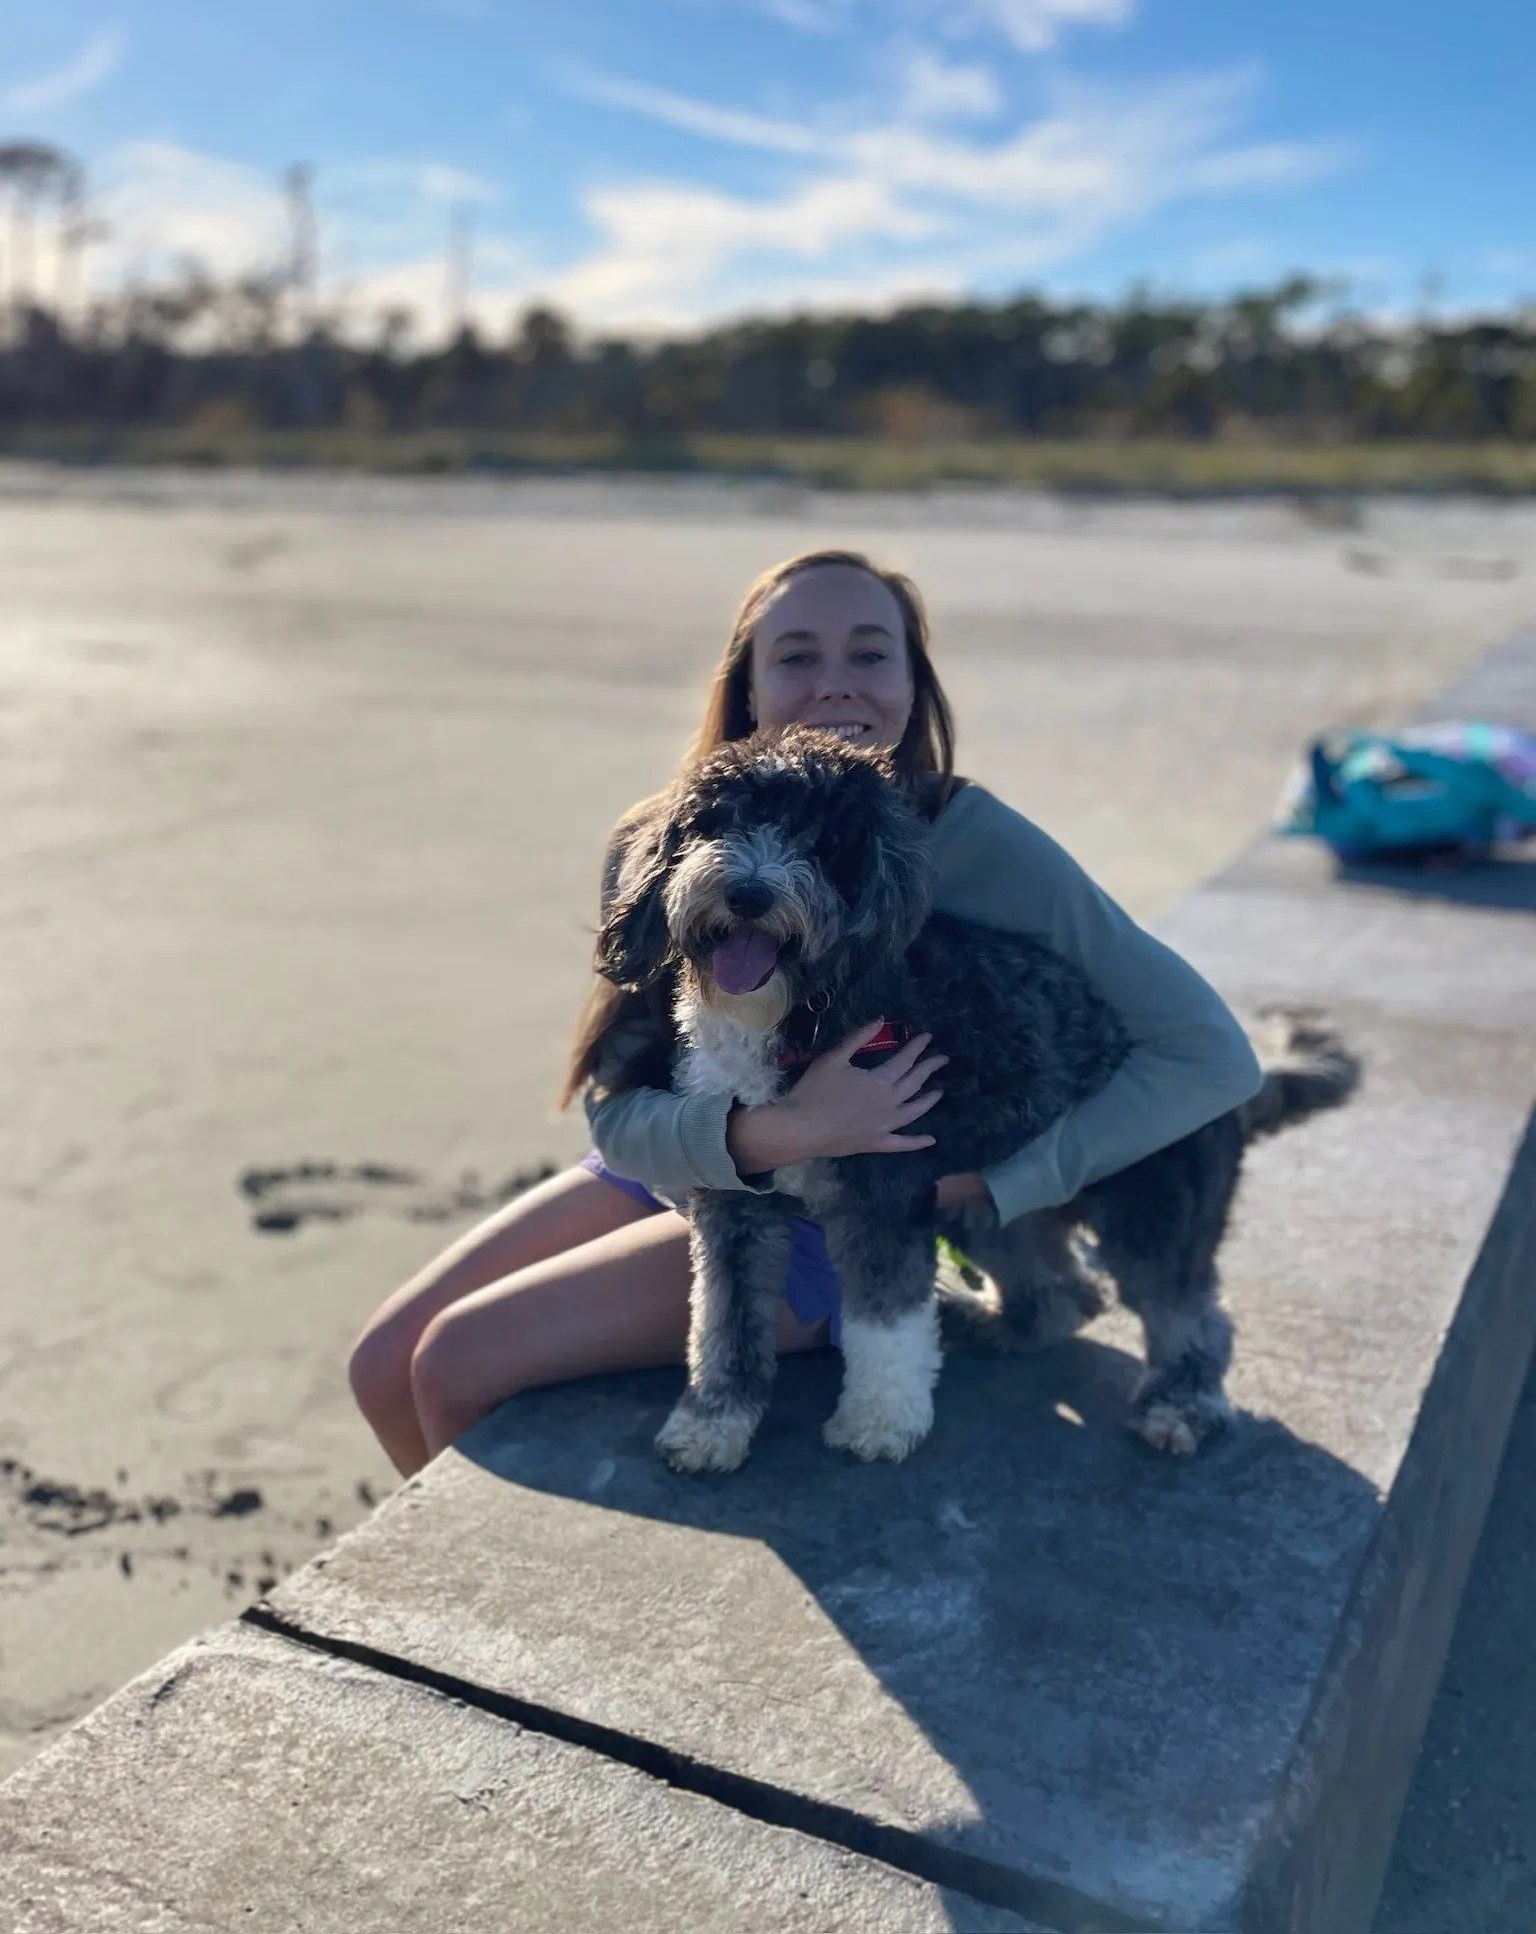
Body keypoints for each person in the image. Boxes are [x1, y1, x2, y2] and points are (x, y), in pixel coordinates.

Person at [348, 548, 1262, 1479]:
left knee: (456, 1360)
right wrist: (776, 1132)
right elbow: (617, 1110)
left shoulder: (980, 844)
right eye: (795, 656)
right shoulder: (664, 838)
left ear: (914, 683)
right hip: (697, 1152)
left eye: (869, 654)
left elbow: (1210, 1056)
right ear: (745, 683)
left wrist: (996, 1187)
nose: (834, 684)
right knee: (384, 1364)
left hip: (850, 1213)